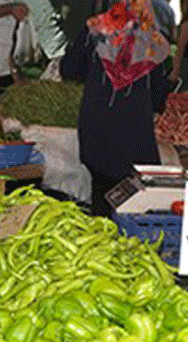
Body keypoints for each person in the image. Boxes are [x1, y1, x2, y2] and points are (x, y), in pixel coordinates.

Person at [60, 0, 169, 217]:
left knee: (101, 198)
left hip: (97, 130)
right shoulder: (154, 40)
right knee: (132, 208)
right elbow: (159, 97)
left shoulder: (95, 28)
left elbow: (69, 70)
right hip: (134, 137)